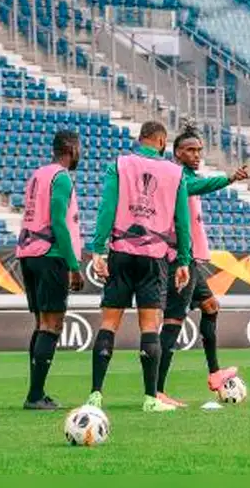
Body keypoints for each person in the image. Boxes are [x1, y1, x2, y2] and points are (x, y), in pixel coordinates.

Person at [86, 120, 192, 413]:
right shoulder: (176, 173)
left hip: (121, 252)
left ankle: (95, 394)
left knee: (109, 323)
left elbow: (106, 208)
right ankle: (149, 398)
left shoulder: (120, 165)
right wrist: (183, 260)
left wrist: (98, 249)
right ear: (161, 141)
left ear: (140, 138)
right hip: (153, 256)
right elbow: (182, 222)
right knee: (149, 325)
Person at [156, 124, 247, 407]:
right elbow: (196, 187)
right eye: (190, 150)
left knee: (210, 306)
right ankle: (156, 390)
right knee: (173, 321)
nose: (196, 155)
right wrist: (228, 178)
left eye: (199, 150)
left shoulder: (188, 177)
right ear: (176, 153)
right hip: (178, 260)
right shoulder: (177, 178)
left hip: (190, 259)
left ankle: (215, 373)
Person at [17, 130, 85, 411]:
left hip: (28, 252)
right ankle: (35, 395)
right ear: (71, 148)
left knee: (41, 323)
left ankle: (36, 391)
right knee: (52, 324)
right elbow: (58, 221)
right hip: (50, 254)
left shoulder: (38, 175)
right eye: (79, 148)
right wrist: (74, 266)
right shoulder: (61, 177)